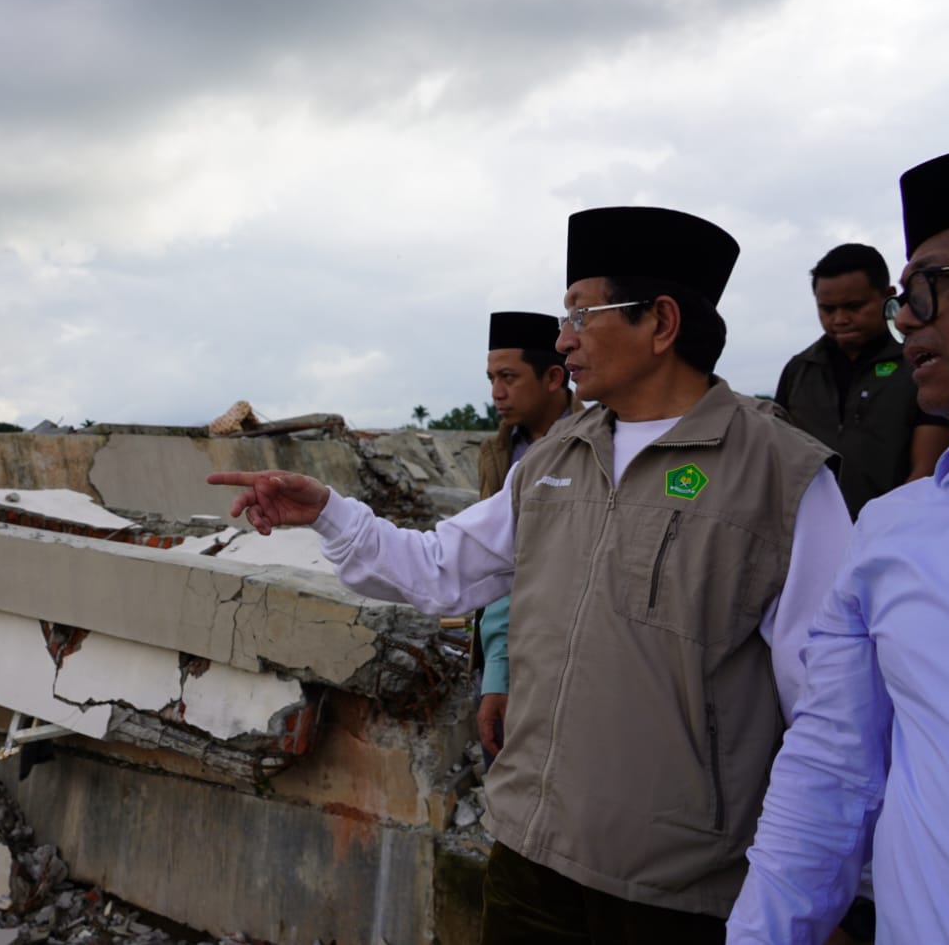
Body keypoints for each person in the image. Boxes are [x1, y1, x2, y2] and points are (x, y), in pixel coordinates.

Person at [209, 207, 853, 943]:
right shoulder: (552, 460)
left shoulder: (782, 479)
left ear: (662, 322)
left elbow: (837, 716)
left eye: (582, 311)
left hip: (679, 892)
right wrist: (328, 511)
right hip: (529, 856)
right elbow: (440, 570)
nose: (563, 338)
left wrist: (799, 902)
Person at [728, 146, 949, 943]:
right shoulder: (897, 538)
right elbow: (831, 767)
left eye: (929, 287)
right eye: (907, 296)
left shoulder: (902, 388)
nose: (910, 316)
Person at [776, 242, 949, 518]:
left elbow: (927, 471)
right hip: (810, 536)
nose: (840, 319)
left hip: (897, 534)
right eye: (827, 309)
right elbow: (778, 458)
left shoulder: (922, 365)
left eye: (854, 306)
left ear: (889, 296)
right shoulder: (799, 370)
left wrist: (878, 531)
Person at [472, 311, 581, 762]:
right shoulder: (496, 452)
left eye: (509, 377)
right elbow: (498, 560)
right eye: (492, 378)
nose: (497, 393)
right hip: (503, 650)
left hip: (567, 653)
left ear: (554, 376)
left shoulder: (593, 445)